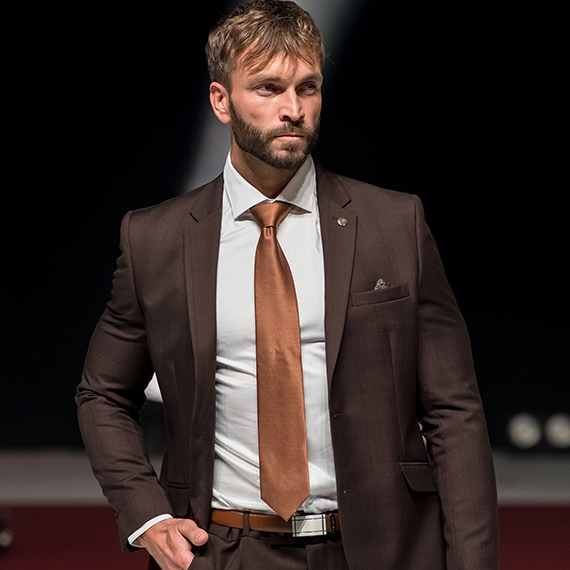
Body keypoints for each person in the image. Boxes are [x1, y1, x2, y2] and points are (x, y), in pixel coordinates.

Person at [76, 1, 499, 569]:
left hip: (380, 548)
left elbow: (455, 412)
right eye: (268, 88)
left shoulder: (394, 224)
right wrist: (147, 516)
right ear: (221, 101)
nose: (293, 109)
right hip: (223, 549)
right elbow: (102, 394)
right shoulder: (157, 239)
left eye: (307, 88)